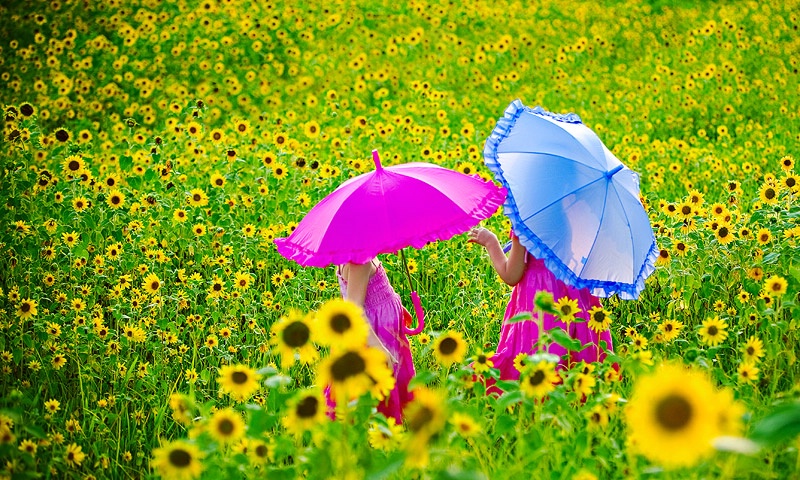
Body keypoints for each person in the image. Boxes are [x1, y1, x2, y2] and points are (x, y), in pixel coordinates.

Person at [467, 227, 614, 389]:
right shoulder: (578, 211)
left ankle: (540, 392)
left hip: (539, 294)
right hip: (575, 293)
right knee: (575, 354)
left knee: (535, 355)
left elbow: (511, 275)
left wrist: (490, 242)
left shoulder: (526, 216)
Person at [325, 258, 415, 423]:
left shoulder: (357, 255)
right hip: (375, 334)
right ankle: (381, 427)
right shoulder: (361, 261)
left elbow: (353, 293)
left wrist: (391, 302)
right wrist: (377, 347)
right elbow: (355, 310)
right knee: (378, 388)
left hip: (383, 329)